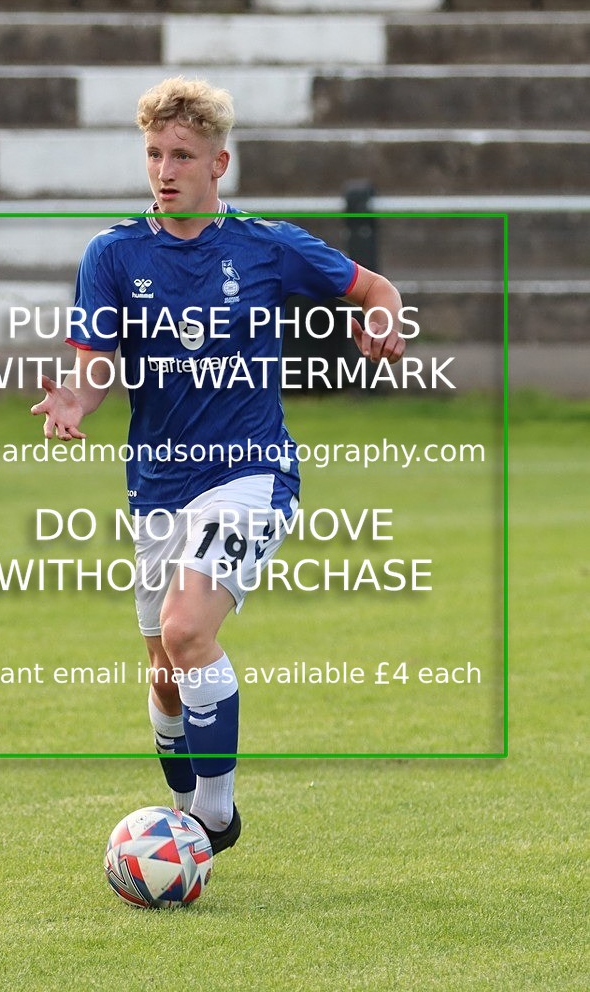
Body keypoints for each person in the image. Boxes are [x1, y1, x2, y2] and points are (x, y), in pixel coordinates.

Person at [31, 77, 406, 854]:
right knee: (165, 677)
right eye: (154, 154)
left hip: (250, 476)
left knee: (186, 628)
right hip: (158, 485)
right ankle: (179, 813)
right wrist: (74, 398)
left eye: (182, 156)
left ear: (218, 163)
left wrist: (384, 321)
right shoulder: (113, 254)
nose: (165, 170)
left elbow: (375, 287)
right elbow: (95, 363)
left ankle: (213, 818)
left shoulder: (267, 246)